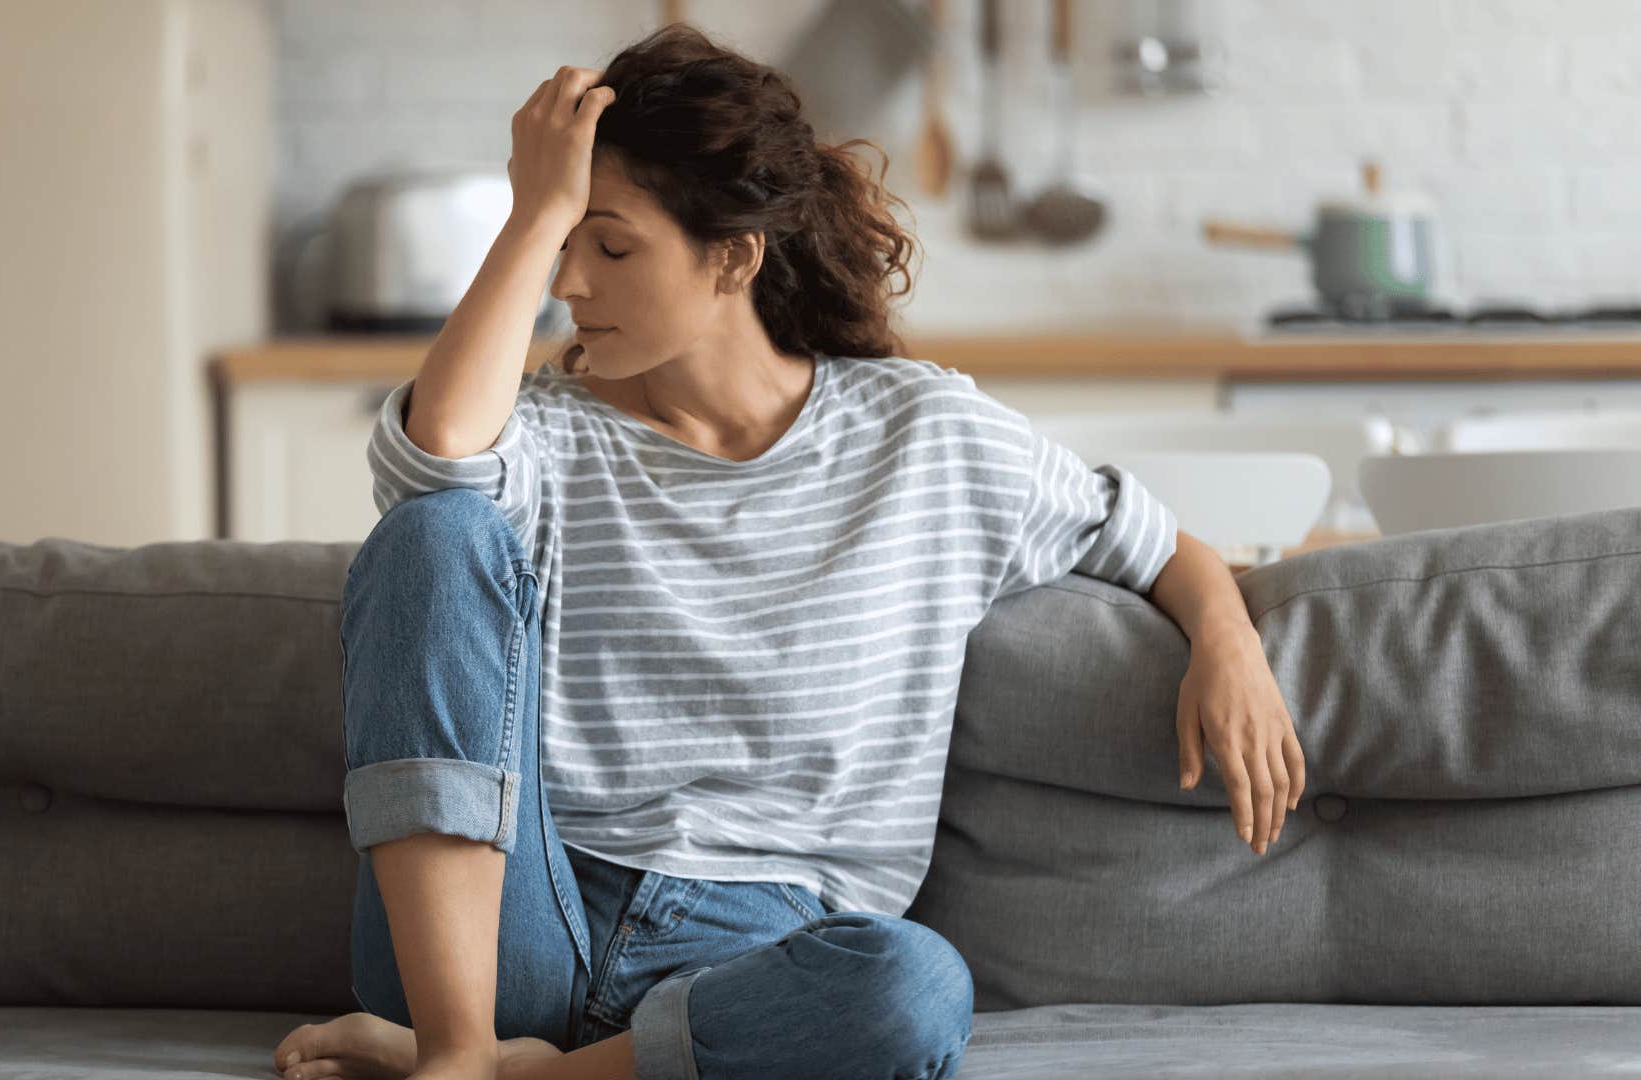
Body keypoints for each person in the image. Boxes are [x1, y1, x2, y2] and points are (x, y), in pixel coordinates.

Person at [274, 23, 1306, 1080]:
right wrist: (539, 210)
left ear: (733, 255)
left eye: (611, 246)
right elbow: (432, 469)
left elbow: (1149, 539)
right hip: (505, 928)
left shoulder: (925, 435)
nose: (571, 283)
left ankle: (513, 1076)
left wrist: (1227, 641)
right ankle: (457, 1050)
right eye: (560, 245)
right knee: (433, 531)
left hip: (756, 959)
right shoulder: (543, 431)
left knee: (914, 988)